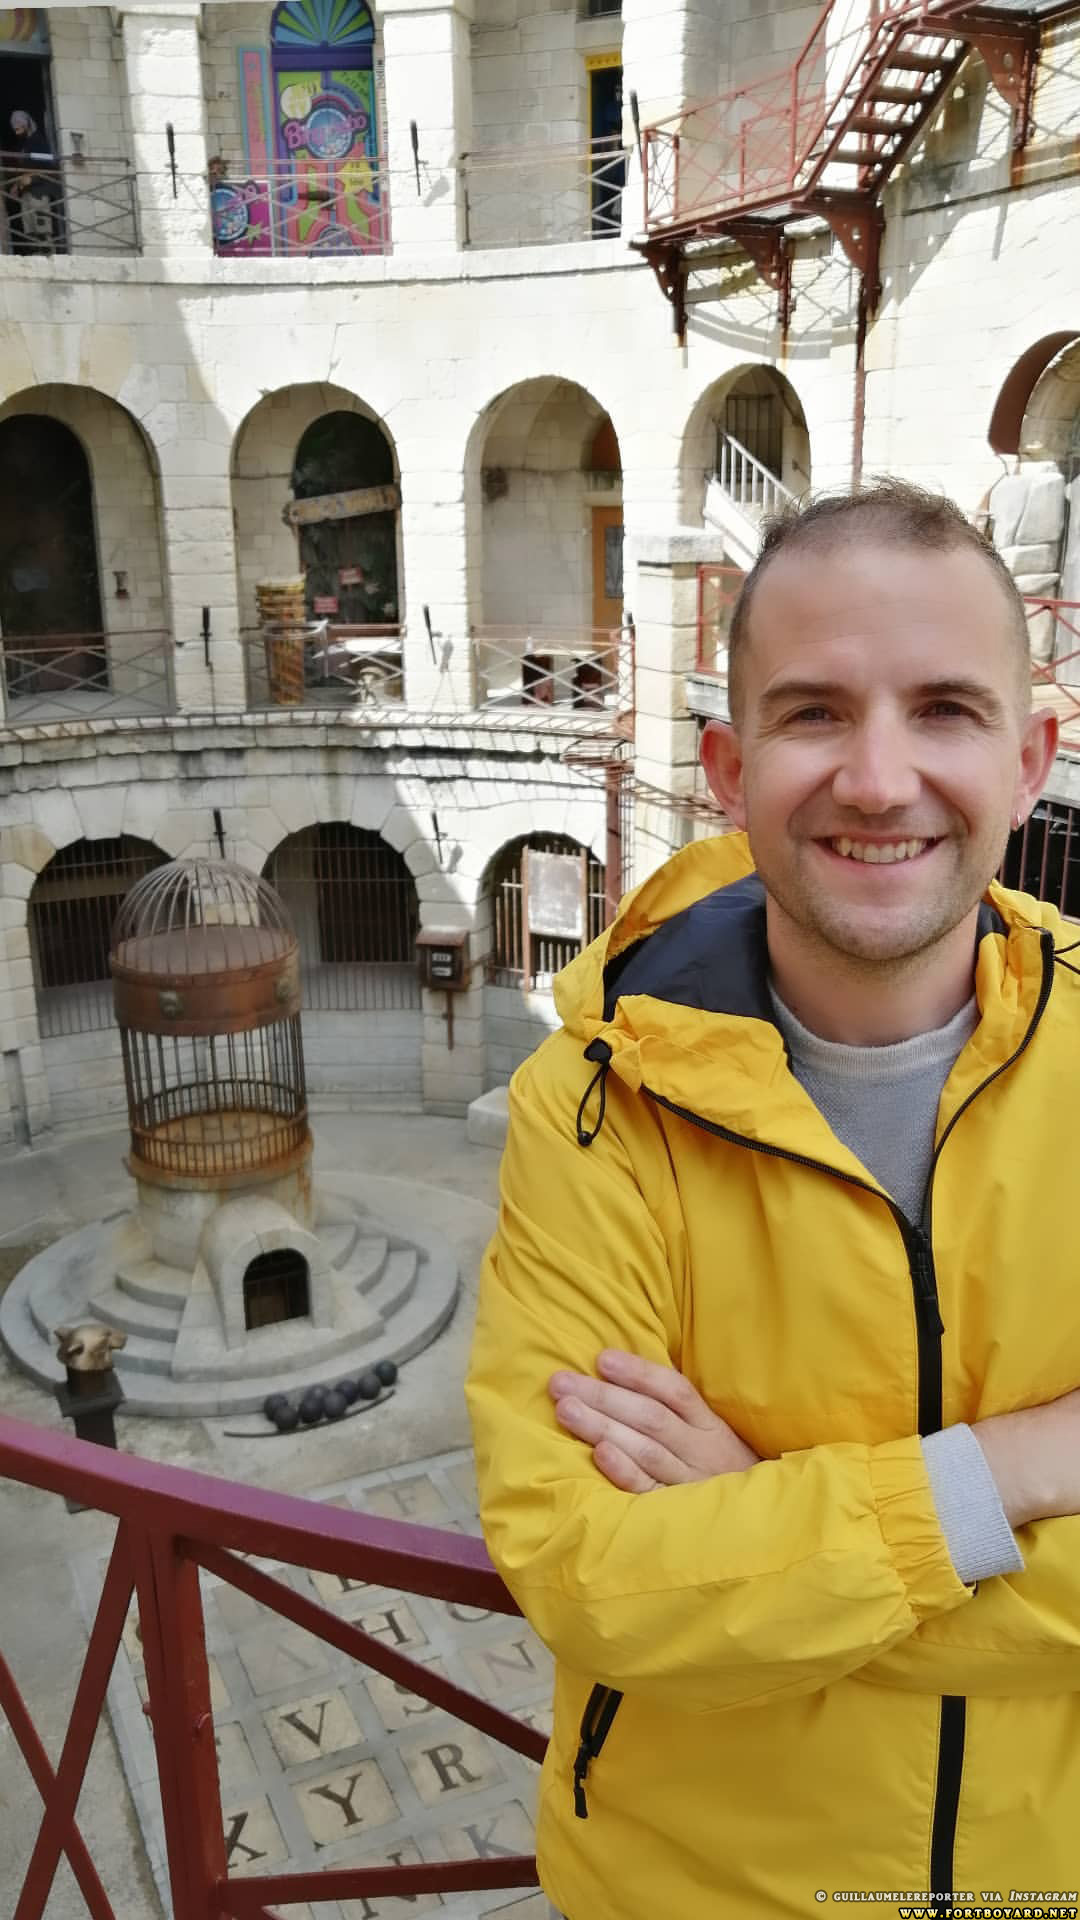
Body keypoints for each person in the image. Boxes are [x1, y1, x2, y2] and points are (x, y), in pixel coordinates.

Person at [466, 480, 1080, 1917]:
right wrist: (1017, 1471)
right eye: (815, 714)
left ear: (1028, 760)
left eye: (943, 709)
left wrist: (759, 1524)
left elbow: (677, 1590)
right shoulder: (594, 1100)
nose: (876, 780)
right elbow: (592, 1576)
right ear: (730, 771)